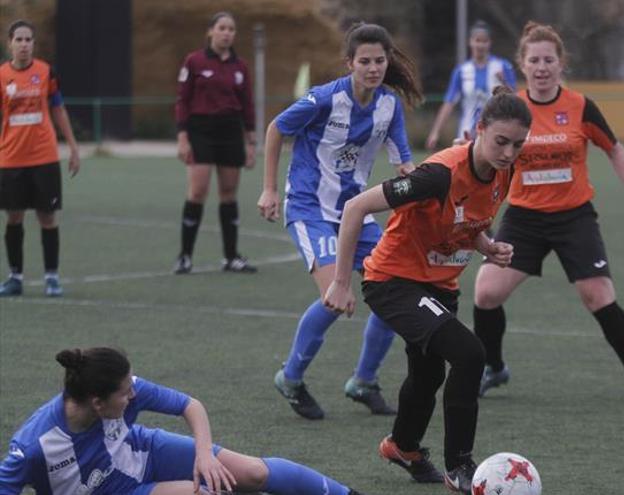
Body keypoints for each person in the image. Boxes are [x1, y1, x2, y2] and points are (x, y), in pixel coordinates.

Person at [323, 87, 532, 493]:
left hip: (440, 285)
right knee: (470, 354)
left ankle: (403, 447)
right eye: (501, 142)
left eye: (518, 144)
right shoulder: (438, 174)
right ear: (478, 131)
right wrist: (340, 282)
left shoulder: (504, 173)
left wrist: (487, 245)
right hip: (393, 281)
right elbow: (355, 208)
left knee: (429, 371)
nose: (509, 153)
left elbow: (466, 221)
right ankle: (460, 467)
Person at [472, 22, 624, 405]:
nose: (542, 67)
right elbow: (485, 155)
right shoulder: (513, 108)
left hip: (573, 216)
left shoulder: (580, 106)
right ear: (522, 65)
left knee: (597, 295)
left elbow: (614, 149)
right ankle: (494, 368)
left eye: (549, 59)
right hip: (524, 218)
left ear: (561, 64)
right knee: (486, 293)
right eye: (534, 60)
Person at [257, 23, 422, 420]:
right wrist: (269, 189)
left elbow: (404, 162)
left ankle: (363, 381)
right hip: (310, 210)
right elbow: (276, 129)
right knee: (335, 297)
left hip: (356, 213)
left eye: (379, 60)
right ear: (349, 63)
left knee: (393, 293)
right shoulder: (324, 100)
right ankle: (291, 377)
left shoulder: (389, 106)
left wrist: (419, 186)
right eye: (364, 61)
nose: (372, 68)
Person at [0, 347, 365, 495]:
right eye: (124, 392)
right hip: (122, 492)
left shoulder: (124, 390)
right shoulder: (34, 447)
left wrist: (205, 455)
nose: (133, 394)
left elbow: (191, 405)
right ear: (97, 403)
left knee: (252, 473)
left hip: (146, 451)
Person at [0, 20, 80, 298]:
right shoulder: (1, 76)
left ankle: (51, 277)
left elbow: (58, 109)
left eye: (28, 39)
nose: (24, 44)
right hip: (11, 158)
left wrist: (72, 146)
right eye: (18, 39)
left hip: (44, 157)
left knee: (47, 217)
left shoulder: (46, 72)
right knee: (14, 217)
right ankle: (15, 277)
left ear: (34, 43)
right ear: (10, 43)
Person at [173, 11, 257, 274]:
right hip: (201, 131)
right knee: (197, 192)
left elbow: (247, 104)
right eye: (222, 28)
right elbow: (182, 100)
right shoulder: (194, 61)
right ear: (210, 31)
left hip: (231, 131)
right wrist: (183, 137)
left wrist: (251, 141)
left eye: (231, 29)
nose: (227, 33)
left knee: (229, 193)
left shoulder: (240, 66)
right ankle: (185, 256)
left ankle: (231, 257)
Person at [425, 20, 517, 151]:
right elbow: (449, 103)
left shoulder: (502, 66)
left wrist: (504, 82)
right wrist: (435, 132)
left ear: (490, 43)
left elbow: (515, 99)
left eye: (484, 41)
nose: (480, 45)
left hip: (496, 132)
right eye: (477, 40)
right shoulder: (461, 71)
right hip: (467, 133)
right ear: (470, 42)